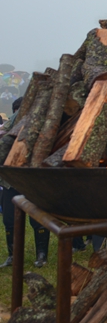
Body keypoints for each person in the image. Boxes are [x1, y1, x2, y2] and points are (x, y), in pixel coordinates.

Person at [0, 98, 51, 267]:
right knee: (9, 219)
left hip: (33, 179)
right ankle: (13, 255)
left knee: (38, 219)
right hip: (11, 179)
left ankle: (42, 255)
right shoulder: (11, 124)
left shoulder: (46, 125)